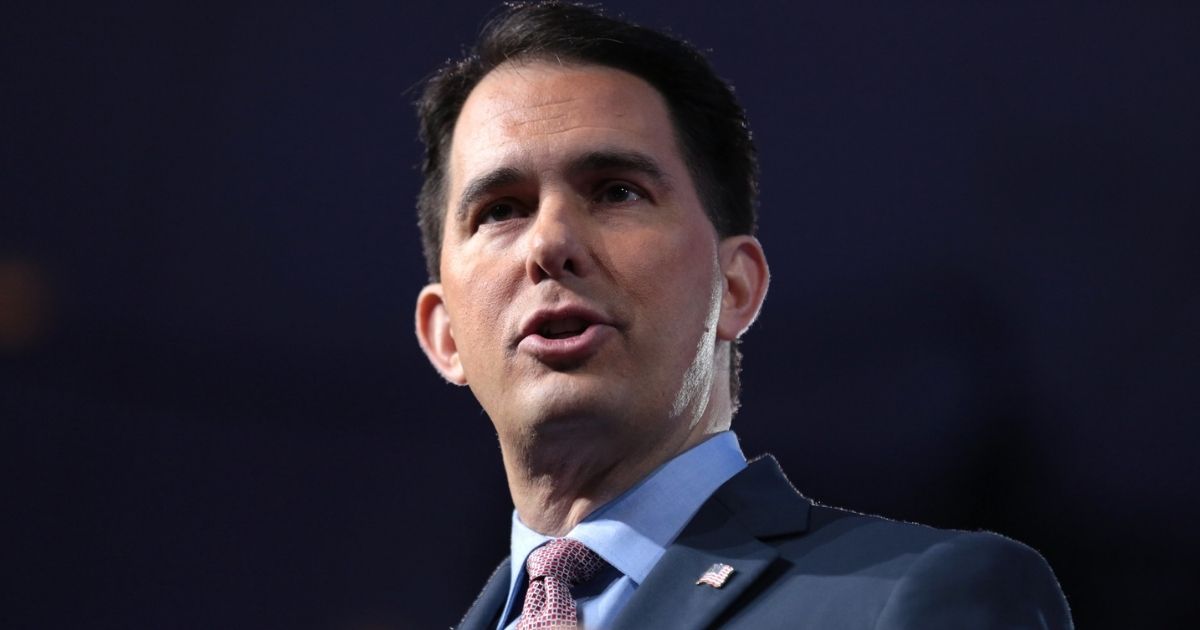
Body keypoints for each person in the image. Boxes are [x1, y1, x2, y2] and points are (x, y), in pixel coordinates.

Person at [412, 2, 1073, 628]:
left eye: (617, 192)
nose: (550, 244)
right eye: (499, 209)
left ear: (734, 287)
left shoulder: (915, 598)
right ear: (445, 335)